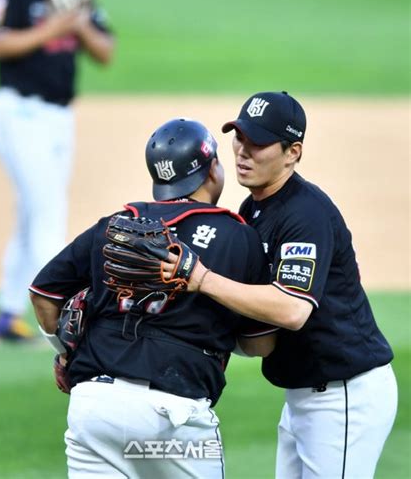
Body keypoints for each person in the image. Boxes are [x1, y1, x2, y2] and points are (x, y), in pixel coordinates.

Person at [158, 92, 397, 478]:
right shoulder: (252, 209)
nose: (243, 151)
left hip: (343, 395)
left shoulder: (306, 214)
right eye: (239, 138)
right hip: (304, 393)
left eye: (259, 143)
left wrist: (201, 279)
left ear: (292, 152)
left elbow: (292, 309)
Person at [30, 118, 277, 478]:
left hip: (94, 407)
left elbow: (43, 296)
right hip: (172, 418)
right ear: (211, 172)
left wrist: (68, 353)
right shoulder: (240, 237)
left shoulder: (116, 224)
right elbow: (261, 345)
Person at [0, 0, 115, 345]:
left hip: (58, 119)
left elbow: (106, 52)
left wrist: (80, 23)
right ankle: (68, 316)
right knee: (48, 210)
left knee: (33, 212)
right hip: (18, 114)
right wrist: (52, 28)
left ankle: (6, 317)